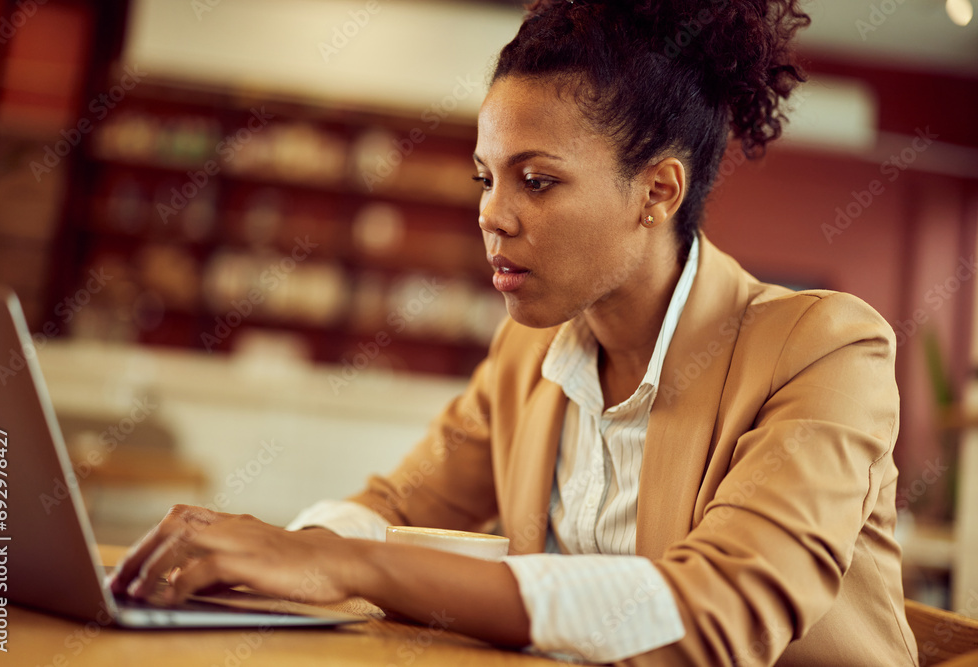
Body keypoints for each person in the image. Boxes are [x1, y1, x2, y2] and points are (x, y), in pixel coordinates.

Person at [110, 1, 920, 664]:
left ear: (658, 191)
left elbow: (719, 614)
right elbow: (397, 503)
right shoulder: (530, 351)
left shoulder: (827, 348)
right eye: (485, 178)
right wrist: (286, 558)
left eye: (537, 180)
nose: (491, 215)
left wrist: (351, 564)